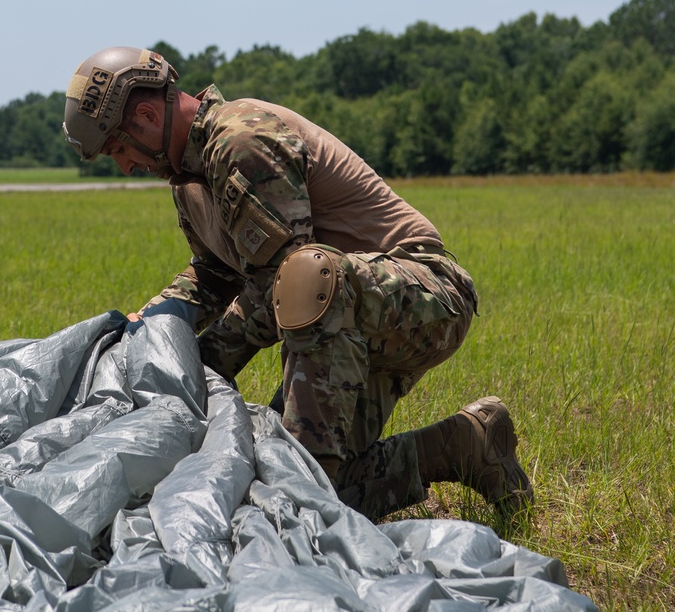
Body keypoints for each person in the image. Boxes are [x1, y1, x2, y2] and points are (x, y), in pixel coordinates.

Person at [62, 46, 533, 520]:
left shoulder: (241, 139)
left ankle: (306, 488)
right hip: (342, 322)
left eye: (119, 149)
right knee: (286, 481)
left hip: (423, 295)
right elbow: (214, 273)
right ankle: (467, 445)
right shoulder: (190, 180)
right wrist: (152, 331)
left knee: (294, 480)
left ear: (145, 115)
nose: (125, 166)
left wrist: (201, 365)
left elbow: (281, 278)